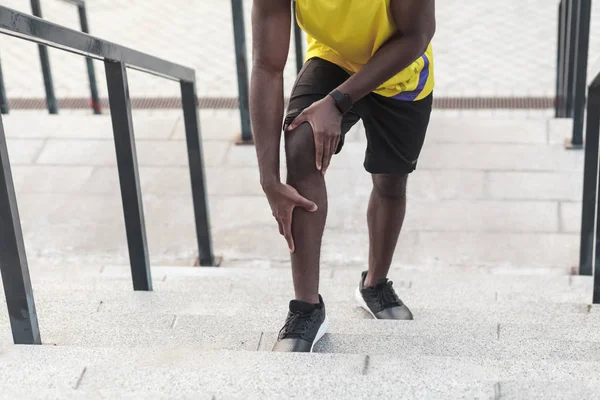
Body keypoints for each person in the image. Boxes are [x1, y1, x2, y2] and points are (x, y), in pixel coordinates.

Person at [250, 0, 436, 353]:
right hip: (334, 59)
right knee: (301, 142)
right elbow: (266, 66)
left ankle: (374, 284)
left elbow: (417, 35)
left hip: (401, 71)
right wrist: (269, 180)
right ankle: (307, 308)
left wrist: (337, 102)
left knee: (390, 181)